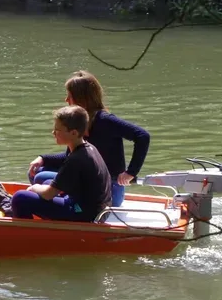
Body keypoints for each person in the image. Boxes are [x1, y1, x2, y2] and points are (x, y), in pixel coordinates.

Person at [28, 70, 150, 207]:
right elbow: (71, 158)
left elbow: (142, 136)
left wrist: (130, 172)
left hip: (109, 191)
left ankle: (60, 207)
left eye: (70, 96)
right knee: (37, 171)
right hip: (88, 181)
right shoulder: (78, 122)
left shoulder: (105, 121)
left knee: (40, 178)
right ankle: (54, 204)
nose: (66, 100)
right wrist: (43, 158)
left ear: (82, 99)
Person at [10, 105, 113, 223]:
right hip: (96, 208)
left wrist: (34, 188)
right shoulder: (89, 148)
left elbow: (48, 194)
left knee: (19, 198)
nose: (53, 132)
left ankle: (30, 232)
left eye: (57, 130)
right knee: (47, 182)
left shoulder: (76, 159)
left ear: (73, 133)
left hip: (84, 214)